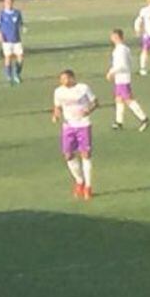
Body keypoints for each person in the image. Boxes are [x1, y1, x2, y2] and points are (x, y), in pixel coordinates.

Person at [52, 70, 98, 200]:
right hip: (68, 126)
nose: (63, 81)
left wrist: (88, 110)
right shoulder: (58, 91)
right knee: (68, 155)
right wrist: (56, 114)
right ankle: (79, 181)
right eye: (61, 79)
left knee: (85, 154)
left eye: (65, 78)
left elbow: (95, 102)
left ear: (72, 78)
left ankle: (88, 186)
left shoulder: (83, 88)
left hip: (83, 124)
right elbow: (57, 106)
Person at [107, 29, 150, 132]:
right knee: (119, 99)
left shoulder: (120, 49)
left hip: (122, 77)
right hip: (120, 77)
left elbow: (122, 65)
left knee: (128, 99)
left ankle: (144, 119)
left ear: (116, 37)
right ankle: (119, 122)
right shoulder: (122, 49)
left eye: (112, 36)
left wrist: (111, 72)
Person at [0, 0, 24, 85]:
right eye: (6, 1)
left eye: (9, 1)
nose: (8, 3)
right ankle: (8, 75)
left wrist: (23, 27)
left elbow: (20, 23)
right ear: (4, 3)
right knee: (8, 57)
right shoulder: (1, 14)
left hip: (16, 38)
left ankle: (16, 73)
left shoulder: (17, 12)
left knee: (20, 57)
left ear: (12, 2)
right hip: (6, 39)